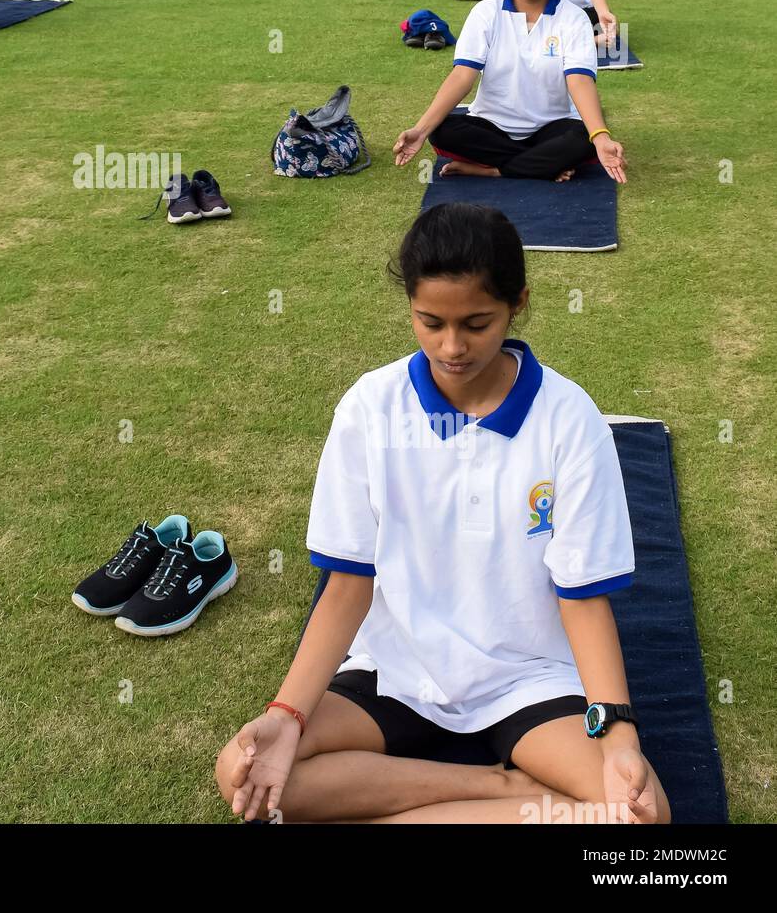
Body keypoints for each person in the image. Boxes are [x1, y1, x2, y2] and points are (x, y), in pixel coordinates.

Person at [215, 201, 667, 824]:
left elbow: (582, 596)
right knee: (248, 775)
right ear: (410, 308)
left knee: (641, 817)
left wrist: (618, 735)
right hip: (400, 668)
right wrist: (285, 715)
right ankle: (501, 790)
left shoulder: (569, 419)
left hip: (527, 678)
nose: (451, 347)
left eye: (477, 324)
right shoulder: (370, 408)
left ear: (518, 305)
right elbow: (348, 584)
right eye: (430, 322)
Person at [394, 0, 626, 184]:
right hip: (492, 126)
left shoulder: (574, 18)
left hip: (552, 126)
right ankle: (539, 164)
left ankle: (493, 170)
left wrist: (601, 137)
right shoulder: (486, 12)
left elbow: (579, 80)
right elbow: (462, 76)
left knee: (584, 137)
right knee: (440, 131)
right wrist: (420, 130)